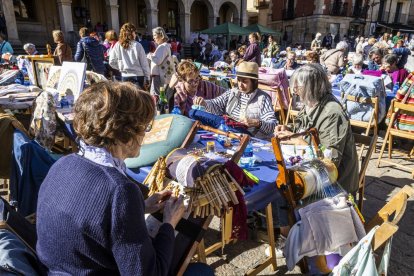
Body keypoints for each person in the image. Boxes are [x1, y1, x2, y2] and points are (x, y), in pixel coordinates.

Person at [36, 82, 188, 275]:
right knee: (200, 271)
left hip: (50, 270)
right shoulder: (120, 191)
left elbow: (90, 216)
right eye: (144, 127)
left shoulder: (63, 164)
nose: (145, 135)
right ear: (125, 132)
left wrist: (142, 207)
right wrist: (169, 223)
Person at [274, 64, 358, 194]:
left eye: (298, 87)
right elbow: (302, 128)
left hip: (334, 182)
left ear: (313, 87)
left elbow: (331, 161)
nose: (295, 91)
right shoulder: (311, 102)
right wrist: (288, 128)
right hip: (310, 167)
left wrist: (302, 143)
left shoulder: (332, 113)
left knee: (284, 190)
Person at [194, 62, 277, 139]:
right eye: (239, 80)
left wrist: (258, 123)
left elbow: (272, 125)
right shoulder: (233, 92)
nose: (240, 85)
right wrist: (204, 103)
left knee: (222, 123)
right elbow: (216, 104)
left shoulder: (263, 98)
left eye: (244, 81)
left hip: (249, 137)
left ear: (254, 82)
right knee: (194, 113)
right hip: (228, 132)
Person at [109, 23, 150, 89]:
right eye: (135, 32)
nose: (135, 34)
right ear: (131, 33)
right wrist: (147, 77)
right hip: (138, 76)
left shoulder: (118, 45)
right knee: (138, 98)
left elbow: (111, 61)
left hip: (125, 75)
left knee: (127, 98)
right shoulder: (137, 45)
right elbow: (144, 63)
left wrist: (121, 68)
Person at [147, 26, 171, 96]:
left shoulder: (162, 46)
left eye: (155, 35)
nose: (153, 37)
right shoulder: (164, 46)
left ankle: (158, 107)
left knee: (156, 95)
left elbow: (158, 61)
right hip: (160, 75)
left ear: (161, 35)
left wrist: (150, 55)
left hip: (159, 75)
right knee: (159, 94)